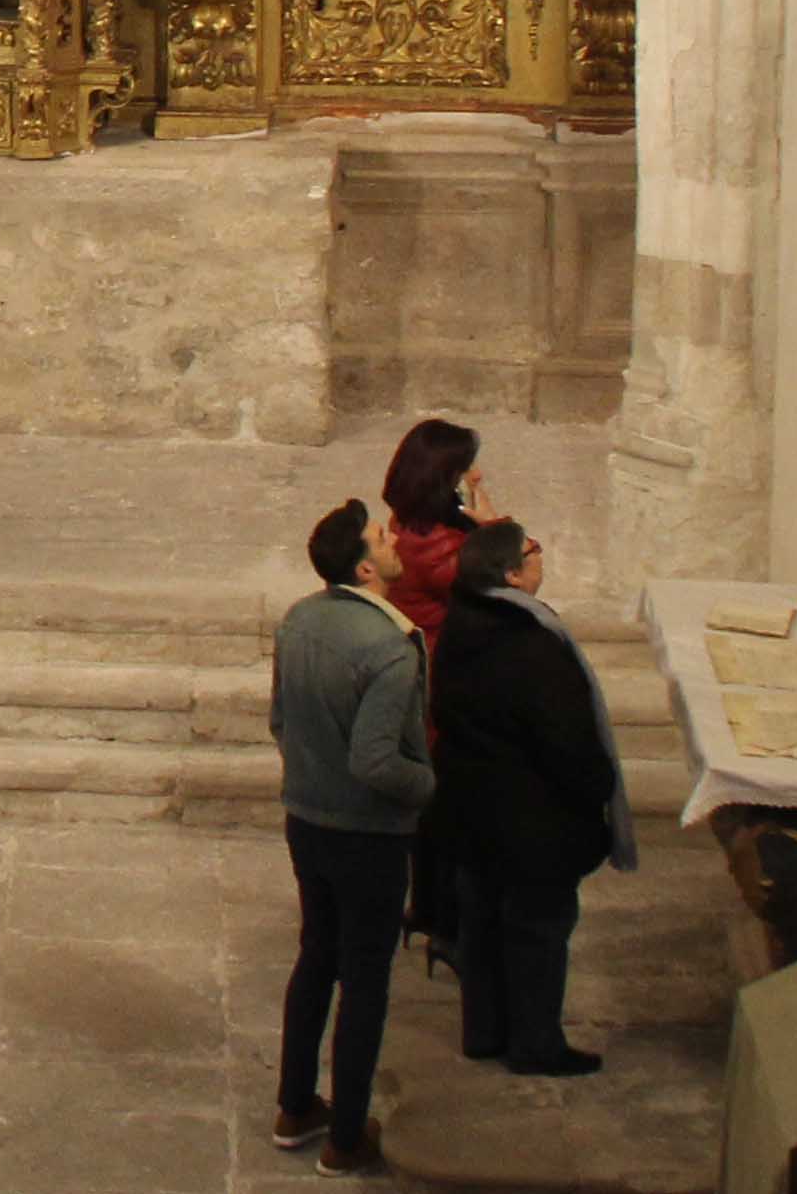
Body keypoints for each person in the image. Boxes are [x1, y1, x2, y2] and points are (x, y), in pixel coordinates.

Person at [431, 520, 634, 1075]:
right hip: (532, 823)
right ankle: (534, 1044)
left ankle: (484, 1032)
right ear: (513, 574)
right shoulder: (531, 645)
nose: (541, 556)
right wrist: (598, 789)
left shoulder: (462, 626)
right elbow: (567, 741)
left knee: (483, 925)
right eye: (533, 551)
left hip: (473, 810)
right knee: (536, 934)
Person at [274, 498, 436, 1174]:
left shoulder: (299, 620)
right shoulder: (388, 648)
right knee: (365, 981)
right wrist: (430, 788)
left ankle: (294, 1107)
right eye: (381, 536)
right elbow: (376, 761)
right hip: (368, 833)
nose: (394, 538)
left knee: (317, 955)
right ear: (368, 568)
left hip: (306, 818)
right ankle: (345, 1139)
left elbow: (282, 722)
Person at [378, 415, 492, 638]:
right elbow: (514, 584)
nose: (477, 475)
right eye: (467, 468)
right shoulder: (436, 547)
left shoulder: (410, 518)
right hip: (442, 661)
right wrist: (493, 525)